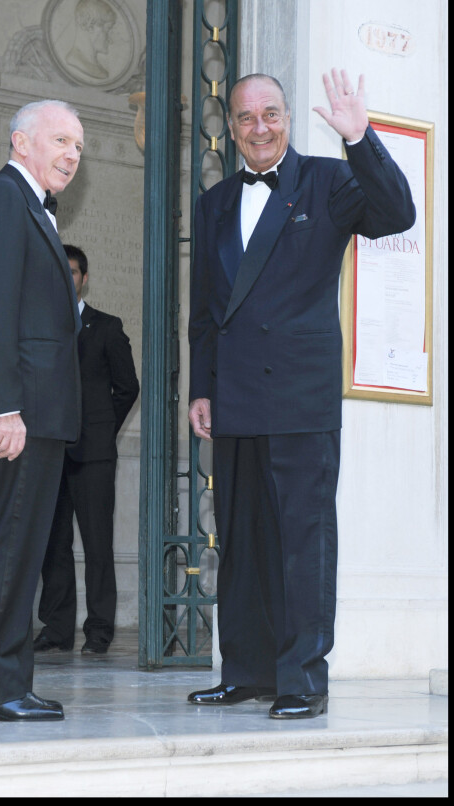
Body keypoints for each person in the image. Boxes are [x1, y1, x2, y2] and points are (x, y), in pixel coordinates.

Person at [187, 69, 415, 719]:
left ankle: (302, 681)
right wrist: (202, 387)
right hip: (233, 396)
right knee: (242, 541)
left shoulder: (329, 178)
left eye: (270, 114)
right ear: (229, 129)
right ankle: (247, 672)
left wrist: (359, 137)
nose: (259, 127)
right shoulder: (213, 203)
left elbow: (397, 211)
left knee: (301, 541)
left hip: (298, 395)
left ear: (288, 117)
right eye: (244, 118)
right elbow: (204, 307)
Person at [0, 99, 84, 721]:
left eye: (78, 147)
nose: (71, 155)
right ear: (21, 141)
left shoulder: (32, 206)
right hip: (20, 418)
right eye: (60, 140)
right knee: (5, 548)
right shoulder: (5, 199)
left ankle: (10, 679)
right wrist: (4, 408)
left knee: (20, 552)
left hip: (40, 415)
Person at [35, 245, 139, 656]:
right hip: (50, 453)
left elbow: (128, 387)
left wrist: (101, 428)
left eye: (74, 271)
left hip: (93, 454)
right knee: (52, 544)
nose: (68, 277)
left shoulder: (107, 327)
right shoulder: (41, 325)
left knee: (97, 545)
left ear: (84, 278)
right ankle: (56, 630)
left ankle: (99, 631)